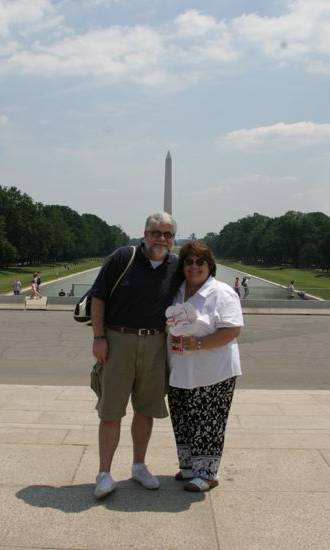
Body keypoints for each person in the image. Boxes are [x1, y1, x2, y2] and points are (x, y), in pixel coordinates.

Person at [90, 211, 181, 499]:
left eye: (167, 234)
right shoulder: (123, 257)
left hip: (155, 344)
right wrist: (99, 337)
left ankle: (139, 465)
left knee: (146, 409)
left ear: (173, 239)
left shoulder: (176, 265)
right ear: (145, 233)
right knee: (111, 410)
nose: (161, 238)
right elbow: (98, 297)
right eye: (156, 232)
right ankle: (104, 473)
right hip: (119, 340)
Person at [166, 241, 243, 493]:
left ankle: (207, 473)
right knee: (184, 418)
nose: (194, 266)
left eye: (200, 262)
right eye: (189, 261)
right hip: (181, 368)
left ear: (210, 266)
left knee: (208, 421)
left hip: (213, 371)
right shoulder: (177, 292)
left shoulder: (221, 293)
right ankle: (189, 466)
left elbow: (232, 330)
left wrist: (198, 343)